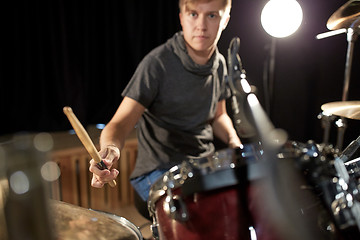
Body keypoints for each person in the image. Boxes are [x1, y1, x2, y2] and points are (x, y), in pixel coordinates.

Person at [89, 0, 241, 215]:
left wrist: (236, 144)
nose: (201, 26)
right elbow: (119, 124)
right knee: (200, 214)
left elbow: (219, 116)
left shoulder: (220, 64)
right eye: (193, 14)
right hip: (157, 170)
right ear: (181, 18)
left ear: (225, 20)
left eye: (212, 16)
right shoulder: (157, 63)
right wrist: (109, 152)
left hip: (202, 165)